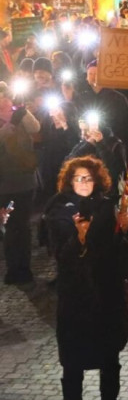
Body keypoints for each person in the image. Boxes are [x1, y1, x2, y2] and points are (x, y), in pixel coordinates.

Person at [45, 156, 128, 400]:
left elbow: (122, 250)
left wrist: (125, 230)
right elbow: (61, 255)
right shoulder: (58, 210)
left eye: (89, 178)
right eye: (79, 178)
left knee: (109, 362)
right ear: (70, 182)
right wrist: (80, 239)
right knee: (73, 365)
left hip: (106, 296)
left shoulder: (109, 206)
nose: (84, 182)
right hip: (76, 299)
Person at [0, 87, 40, 284]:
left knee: (22, 226)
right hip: (4, 184)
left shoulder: (19, 112)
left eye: (6, 96)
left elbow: (36, 128)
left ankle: (24, 268)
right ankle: (13, 268)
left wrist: (23, 113)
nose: (4, 101)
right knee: (8, 226)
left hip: (24, 181)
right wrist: (9, 127)